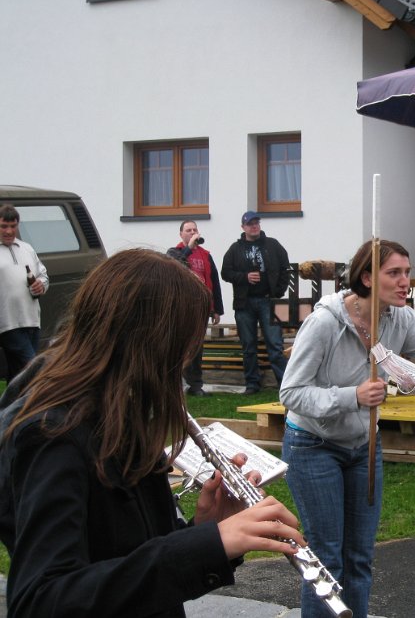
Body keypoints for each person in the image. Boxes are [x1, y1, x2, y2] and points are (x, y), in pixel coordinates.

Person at [0, 249, 304, 617]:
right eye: (184, 344)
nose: (187, 359)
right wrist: (208, 545)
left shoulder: (121, 412)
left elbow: (130, 551)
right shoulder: (53, 435)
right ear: (147, 342)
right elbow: (42, 599)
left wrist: (204, 529)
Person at [280, 239, 415, 618]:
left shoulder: (402, 318)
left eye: (407, 273)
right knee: (327, 558)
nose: (405, 282)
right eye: (394, 273)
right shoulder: (324, 323)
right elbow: (291, 393)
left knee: (359, 558)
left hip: (363, 445)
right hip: (313, 445)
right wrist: (352, 397)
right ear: (366, 277)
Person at [221, 212, 291, 395]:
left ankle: (285, 384)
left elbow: (286, 268)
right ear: (243, 227)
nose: (254, 226)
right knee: (248, 347)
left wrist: (278, 291)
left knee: (275, 345)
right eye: (250, 224)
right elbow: (225, 273)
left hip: (268, 301)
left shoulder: (272, 245)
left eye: (256, 223)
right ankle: (252, 384)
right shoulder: (235, 249)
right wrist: (244, 277)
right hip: (244, 304)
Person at [167, 220, 224, 396]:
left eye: (195, 230)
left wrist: (216, 309)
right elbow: (174, 267)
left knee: (198, 348)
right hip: (183, 306)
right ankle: (176, 384)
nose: (192, 232)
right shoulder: (174, 252)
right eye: (188, 230)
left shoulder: (206, 255)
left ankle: (196, 385)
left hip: (202, 306)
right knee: (182, 346)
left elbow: (213, 281)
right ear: (181, 234)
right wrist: (189, 248)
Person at [0, 204, 48, 382]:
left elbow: (43, 276)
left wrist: (40, 286)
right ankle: (42, 405)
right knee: (34, 367)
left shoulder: (27, 248)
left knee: (17, 375)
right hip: (8, 324)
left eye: (13, 226)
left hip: (32, 321)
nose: (9, 231)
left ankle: (10, 408)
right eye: (4, 226)